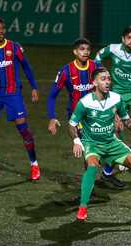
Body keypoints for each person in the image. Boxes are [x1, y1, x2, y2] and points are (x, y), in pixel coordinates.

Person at [69, 67, 131, 221]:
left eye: (109, 78)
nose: (107, 81)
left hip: (112, 142)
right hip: (92, 143)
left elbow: (125, 119)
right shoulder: (85, 102)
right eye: (103, 79)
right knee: (91, 166)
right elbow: (72, 124)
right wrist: (76, 141)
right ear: (94, 82)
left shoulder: (116, 98)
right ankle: (83, 207)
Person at [46, 37, 125, 189]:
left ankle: (107, 173)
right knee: (90, 147)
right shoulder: (66, 71)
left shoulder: (96, 67)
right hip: (79, 116)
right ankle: (90, 183)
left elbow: (107, 88)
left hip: (99, 112)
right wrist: (52, 117)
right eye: (82, 49)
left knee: (113, 139)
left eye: (88, 49)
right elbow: (51, 96)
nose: (86, 52)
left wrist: (115, 114)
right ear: (75, 51)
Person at [0, 17, 40, 180]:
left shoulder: (14, 47)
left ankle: (34, 164)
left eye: (3, 28)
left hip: (13, 94)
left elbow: (26, 66)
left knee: (23, 129)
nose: (1, 31)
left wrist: (34, 87)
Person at [95, 26, 131, 175]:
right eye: (129, 37)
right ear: (123, 39)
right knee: (118, 127)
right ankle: (114, 162)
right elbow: (98, 56)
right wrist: (101, 72)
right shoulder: (113, 49)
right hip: (118, 92)